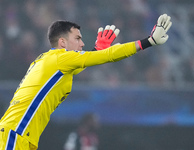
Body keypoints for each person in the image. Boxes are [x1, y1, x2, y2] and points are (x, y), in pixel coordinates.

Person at [0, 14, 172, 150]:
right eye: (77, 38)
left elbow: (83, 65)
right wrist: (148, 42)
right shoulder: (60, 59)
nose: (82, 43)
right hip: (17, 132)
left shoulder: (50, 60)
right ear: (62, 42)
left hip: (21, 134)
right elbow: (109, 56)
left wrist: (96, 51)